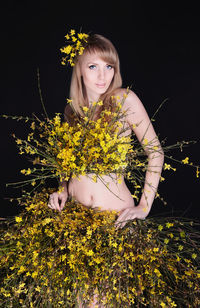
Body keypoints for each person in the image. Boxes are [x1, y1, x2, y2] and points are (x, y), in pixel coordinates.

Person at [48, 34, 164, 227]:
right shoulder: (71, 111)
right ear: (80, 70)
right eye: (93, 67)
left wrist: (144, 206)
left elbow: (155, 152)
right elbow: (66, 160)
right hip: (75, 219)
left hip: (115, 221)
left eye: (108, 67)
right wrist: (62, 188)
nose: (103, 76)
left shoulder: (123, 100)